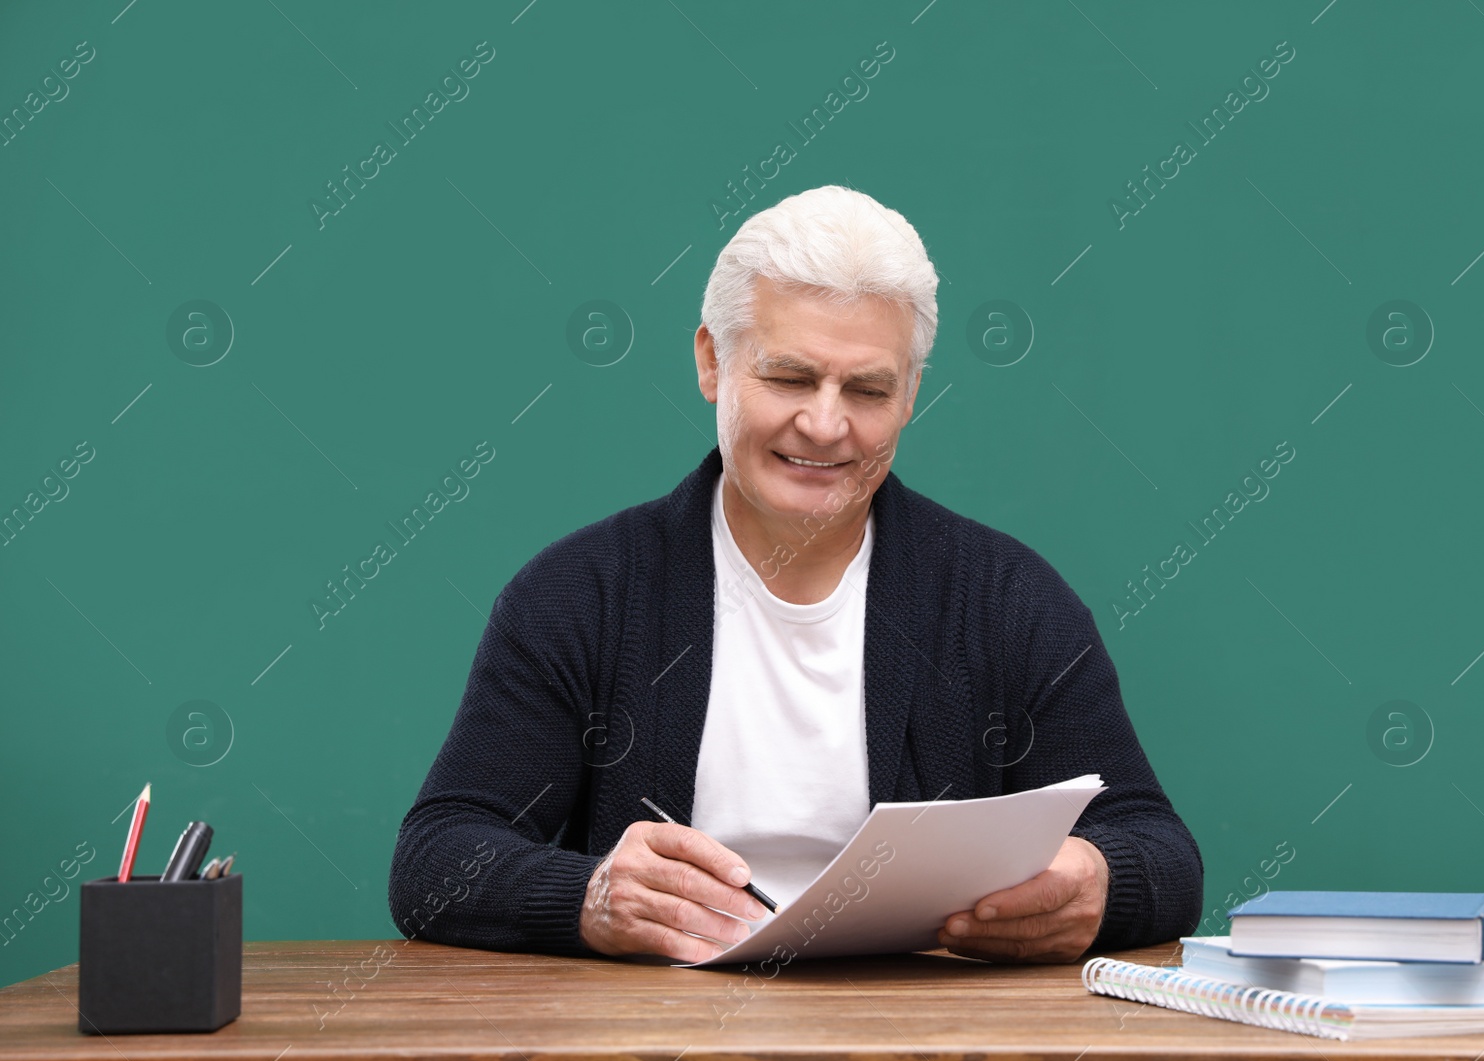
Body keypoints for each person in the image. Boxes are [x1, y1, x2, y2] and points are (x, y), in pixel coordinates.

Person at [388, 185, 1202, 964]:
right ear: (712, 360)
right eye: (787, 377)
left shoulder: (1007, 599)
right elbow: (436, 858)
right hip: (651, 1039)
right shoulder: (580, 595)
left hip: (933, 1039)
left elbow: (1159, 849)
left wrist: (1099, 881)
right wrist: (594, 894)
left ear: (912, 391)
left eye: (868, 388)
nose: (824, 423)